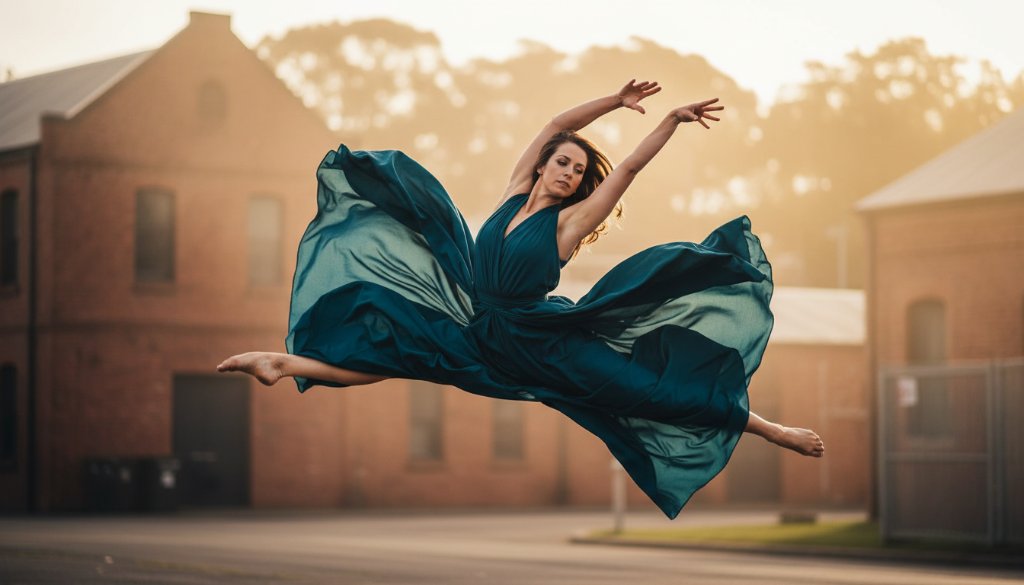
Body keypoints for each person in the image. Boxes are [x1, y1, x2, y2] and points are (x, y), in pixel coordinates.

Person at [218, 79, 824, 519]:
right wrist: (614, 102)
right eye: (560, 162)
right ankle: (282, 362)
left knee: (648, 392)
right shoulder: (513, 192)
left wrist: (668, 120)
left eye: (575, 170)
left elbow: (630, 170)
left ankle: (770, 429)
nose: (565, 172)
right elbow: (554, 122)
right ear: (541, 167)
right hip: (475, 324)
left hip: (545, 343)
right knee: (393, 348)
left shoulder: (568, 225)